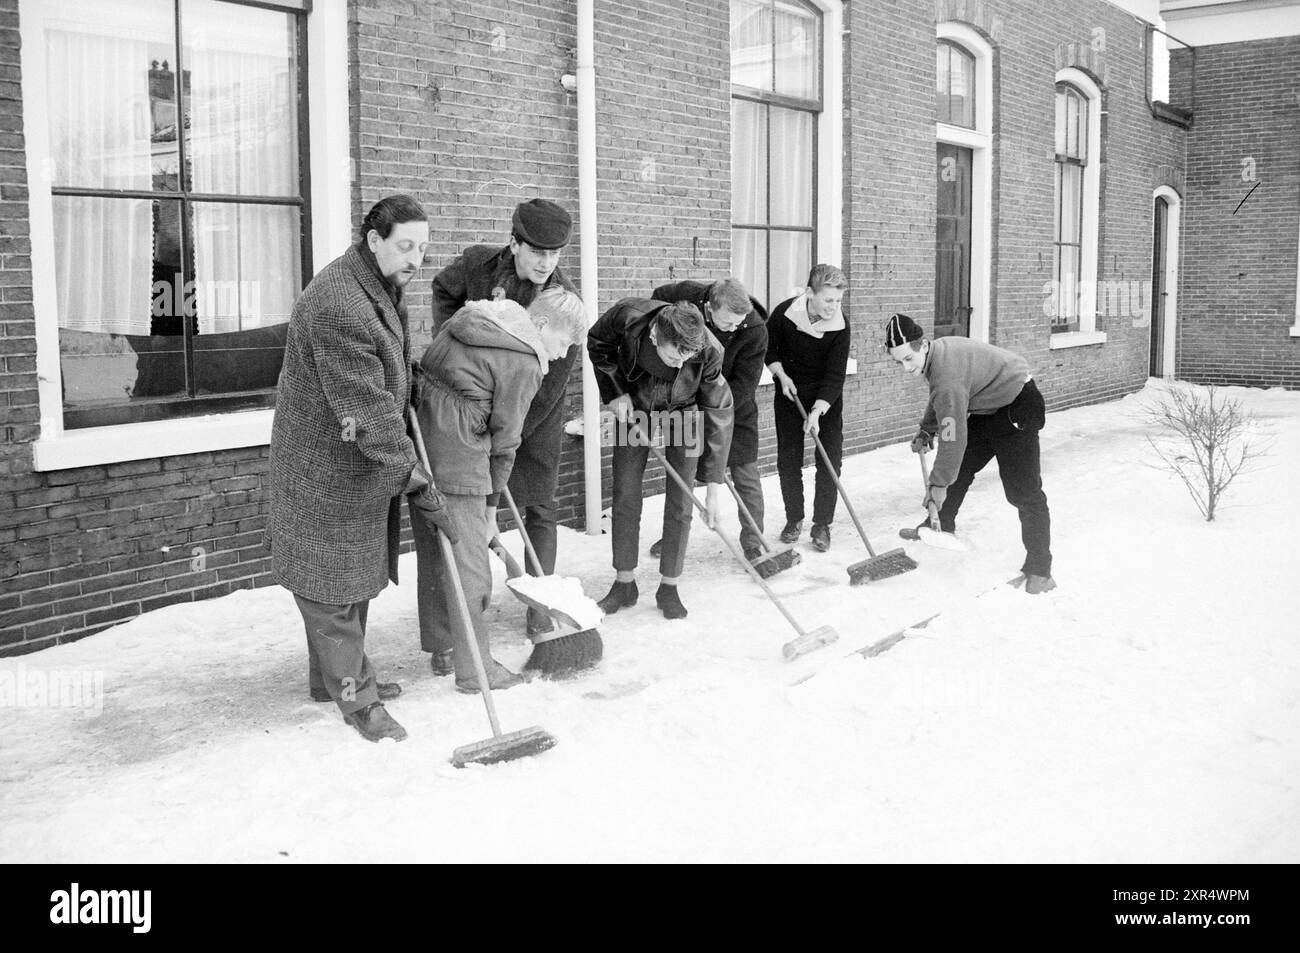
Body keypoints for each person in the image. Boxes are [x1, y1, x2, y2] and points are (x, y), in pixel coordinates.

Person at [268, 195, 456, 743]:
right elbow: (366, 412)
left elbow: (383, 368)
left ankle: (330, 682)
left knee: (349, 581)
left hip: (352, 467)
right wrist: (417, 480)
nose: (416, 258)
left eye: (423, 248)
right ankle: (359, 702)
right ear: (374, 239)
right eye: (406, 245)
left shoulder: (374, 284)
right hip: (324, 468)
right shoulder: (338, 303)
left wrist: (410, 379)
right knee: (328, 588)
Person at [412, 292, 587, 691]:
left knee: (438, 551)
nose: (561, 355)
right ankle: (476, 669)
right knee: (471, 565)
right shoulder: (525, 361)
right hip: (461, 456)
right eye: (562, 343)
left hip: (423, 447)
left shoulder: (474, 322)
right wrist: (490, 506)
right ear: (540, 326)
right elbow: (507, 439)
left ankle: (445, 647)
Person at [426, 197, 579, 642]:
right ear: (514, 243)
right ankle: (447, 637)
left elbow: (549, 381)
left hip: (533, 418)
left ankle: (539, 609)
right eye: (537, 252)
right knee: (460, 516)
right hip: (473, 414)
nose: (547, 263)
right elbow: (442, 288)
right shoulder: (477, 265)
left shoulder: (562, 300)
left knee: (541, 509)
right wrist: (450, 334)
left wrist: (503, 435)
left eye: (555, 254)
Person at [884, 312, 1055, 594]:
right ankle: (939, 525)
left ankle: (1040, 568)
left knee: (1023, 492)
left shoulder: (946, 372)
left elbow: (952, 437)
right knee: (960, 471)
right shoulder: (937, 357)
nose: (905, 367)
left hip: (1016, 406)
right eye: (899, 361)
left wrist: (937, 485)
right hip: (986, 405)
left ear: (923, 345)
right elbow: (941, 398)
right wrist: (927, 429)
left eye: (908, 359)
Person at [587, 299, 734, 620]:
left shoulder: (708, 350)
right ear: (654, 335)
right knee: (625, 494)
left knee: (681, 500)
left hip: (684, 414)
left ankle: (670, 585)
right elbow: (597, 344)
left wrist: (712, 488)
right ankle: (624, 583)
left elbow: (719, 413)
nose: (681, 366)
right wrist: (614, 393)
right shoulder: (627, 319)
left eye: (687, 359)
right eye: (672, 356)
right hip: (635, 409)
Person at [648, 278, 769, 562]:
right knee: (683, 476)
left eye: (738, 323)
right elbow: (657, 299)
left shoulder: (754, 330)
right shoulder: (688, 297)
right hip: (688, 401)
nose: (732, 329)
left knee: (745, 473)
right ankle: (674, 538)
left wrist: (714, 414)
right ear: (708, 309)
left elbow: (745, 384)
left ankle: (754, 542)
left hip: (734, 408)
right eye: (726, 323)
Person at [765, 264, 851, 553]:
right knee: (788, 460)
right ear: (810, 293)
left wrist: (817, 412)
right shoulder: (784, 314)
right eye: (828, 300)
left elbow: (836, 374)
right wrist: (781, 375)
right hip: (790, 394)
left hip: (826, 399)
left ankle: (822, 524)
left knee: (829, 461)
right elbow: (770, 349)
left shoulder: (840, 326)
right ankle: (794, 519)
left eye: (838, 301)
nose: (834, 307)